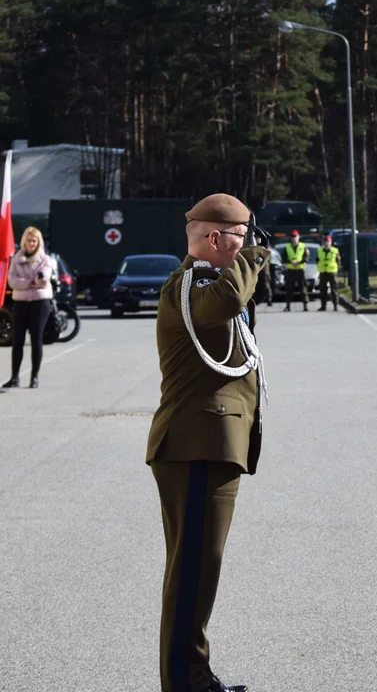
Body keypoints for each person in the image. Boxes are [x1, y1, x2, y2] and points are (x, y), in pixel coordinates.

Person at [146, 193, 270, 692]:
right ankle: (184, 682)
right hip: (196, 447)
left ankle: (193, 674)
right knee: (192, 573)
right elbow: (226, 302)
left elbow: (235, 311)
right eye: (241, 239)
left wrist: (243, 262)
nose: (249, 248)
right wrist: (254, 258)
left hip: (209, 445)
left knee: (199, 572)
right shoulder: (193, 286)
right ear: (216, 239)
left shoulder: (208, 284)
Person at [3, 227, 56, 389]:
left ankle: (34, 376)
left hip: (40, 303)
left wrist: (30, 281)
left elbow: (44, 278)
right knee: (17, 339)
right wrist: (29, 283)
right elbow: (12, 280)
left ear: (38, 242)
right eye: (28, 240)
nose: (31, 244)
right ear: (24, 241)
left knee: (36, 338)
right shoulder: (16, 259)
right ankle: (14, 377)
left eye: (34, 241)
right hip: (20, 303)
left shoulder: (45, 259)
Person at [282, 229, 308, 312]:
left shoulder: (303, 246)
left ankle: (305, 305)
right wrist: (291, 262)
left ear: (298, 237)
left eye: (295, 236)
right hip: (290, 270)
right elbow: (284, 258)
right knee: (289, 289)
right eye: (293, 237)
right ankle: (288, 306)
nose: (294, 238)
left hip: (300, 270)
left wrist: (298, 262)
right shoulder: (287, 247)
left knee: (303, 288)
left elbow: (306, 258)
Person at [316, 234, 341, 311]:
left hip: (332, 272)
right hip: (323, 272)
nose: (327, 243)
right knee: (323, 290)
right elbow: (317, 260)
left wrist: (336, 269)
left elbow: (338, 261)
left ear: (331, 242)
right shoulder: (319, 250)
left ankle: (335, 305)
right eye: (325, 241)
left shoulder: (335, 251)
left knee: (334, 290)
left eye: (328, 241)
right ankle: (323, 306)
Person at [254, 227, 274, 307]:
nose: (258, 239)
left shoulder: (265, 247)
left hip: (265, 269)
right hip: (256, 269)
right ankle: (256, 299)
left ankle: (269, 299)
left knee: (266, 285)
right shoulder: (254, 246)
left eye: (259, 238)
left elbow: (268, 258)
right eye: (257, 238)